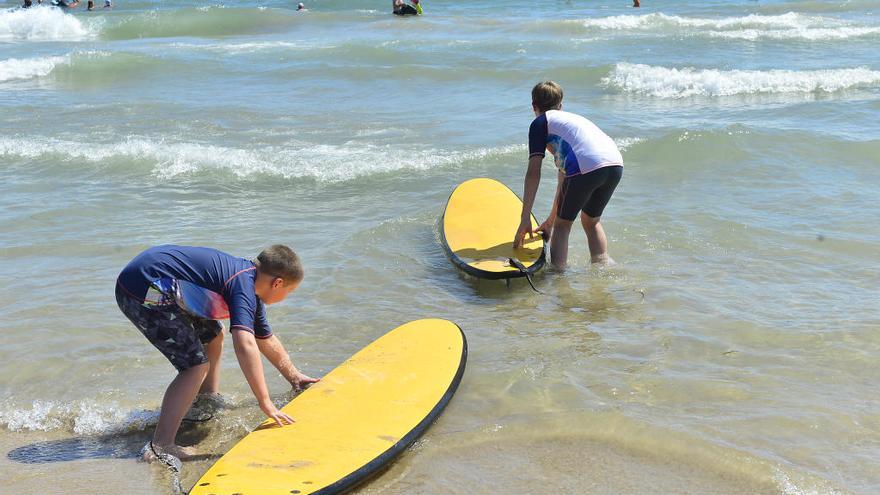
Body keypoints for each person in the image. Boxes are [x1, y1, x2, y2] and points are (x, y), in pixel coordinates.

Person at [115, 244, 319, 463]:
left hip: (152, 277)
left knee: (213, 336)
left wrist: (294, 376)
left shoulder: (248, 283)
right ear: (277, 283)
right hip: (143, 286)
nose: (287, 296)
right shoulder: (242, 287)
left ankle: (206, 400)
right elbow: (245, 344)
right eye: (290, 291)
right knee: (195, 366)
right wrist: (265, 402)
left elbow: (264, 338)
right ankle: (161, 446)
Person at [513, 81, 624, 269]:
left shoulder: (540, 124)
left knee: (563, 225)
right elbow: (564, 181)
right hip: (615, 163)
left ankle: (558, 276)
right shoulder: (571, 123)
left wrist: (525, 219)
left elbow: (533, 174)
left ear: (534, 106)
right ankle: (603, 267)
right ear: (560, 106)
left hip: (586, 165)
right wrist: (549, 222)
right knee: (591, 220)